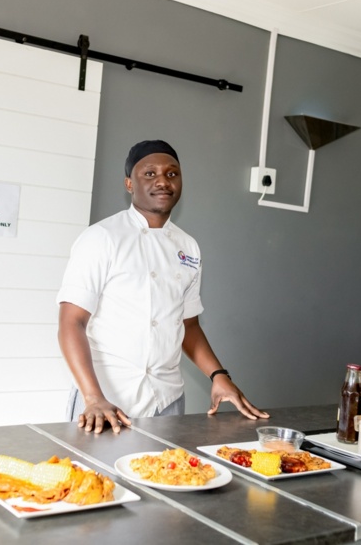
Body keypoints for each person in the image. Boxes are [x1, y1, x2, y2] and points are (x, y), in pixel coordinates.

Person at [57, 140, 269, 433]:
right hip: (104, 400)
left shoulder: (188, 247)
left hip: (166, 402)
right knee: (92, 480)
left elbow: (189, 325)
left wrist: (219, 375)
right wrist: (93, 398)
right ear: (129, 184)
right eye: (149, 173)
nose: (162, 181)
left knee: (159, 477)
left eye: (172, 174)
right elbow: (71, 322)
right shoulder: (101, 238)